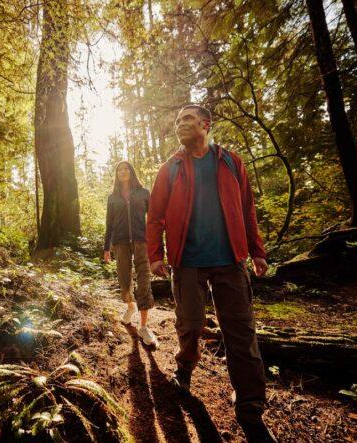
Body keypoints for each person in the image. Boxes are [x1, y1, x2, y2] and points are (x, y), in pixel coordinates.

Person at [146, 104, 277, 442]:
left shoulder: (231, 163)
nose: (180, 125)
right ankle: (185, 368)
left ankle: (250, 410)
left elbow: (247, 208)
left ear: (206, 124)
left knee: (242, 337)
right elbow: (155, 216)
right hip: (187, 263)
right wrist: (155, 256)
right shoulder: (170, 169)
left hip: (230, 263)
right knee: (189, 325)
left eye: (187, 119)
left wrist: (257, 251)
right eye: (177, 121)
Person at [104, 161, 158, 347]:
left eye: (126, 168)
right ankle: (130, 305)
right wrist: (106, 247)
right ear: (116, 174)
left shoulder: (144, 193)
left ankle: (143, 327)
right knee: (124, 281)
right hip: (120, 242)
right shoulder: (112, 197)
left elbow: (153, 219)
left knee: (144, 279)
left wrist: (156, 242)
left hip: (141, 241)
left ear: (132, 172)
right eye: (119, 169)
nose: (123, 171)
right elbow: (109, 224)